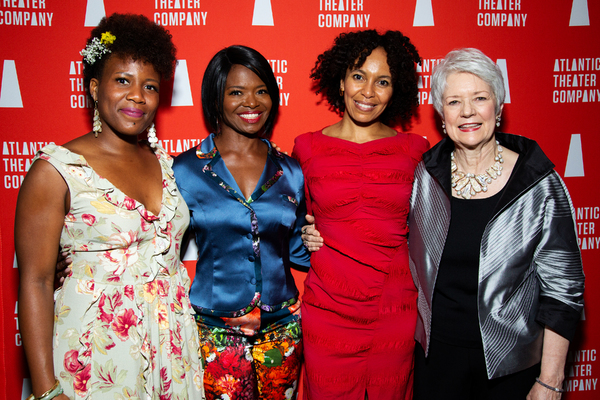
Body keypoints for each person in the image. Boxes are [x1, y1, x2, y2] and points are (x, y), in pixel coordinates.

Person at [15, 14, 204, 399]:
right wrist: (47, 390)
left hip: (171, 350)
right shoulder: (56, 171)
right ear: (94, 87)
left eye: (150, 86)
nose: (137, 95)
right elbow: (35, 281)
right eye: (123, 81)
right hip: (97, 354)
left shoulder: (164, 165)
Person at [408, 48, 585, 399]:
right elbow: (378, 226)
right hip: (436, 362)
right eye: (454, 101)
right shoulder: (423, 176)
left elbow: (564, 291)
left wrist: (550, 380)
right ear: (442, 114)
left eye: (480, 98)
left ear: (499, 107)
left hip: (513, 368)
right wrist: (320, 231)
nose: (468, 112)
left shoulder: (537, 182)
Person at [293, 30, 429, 399]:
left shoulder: (415, 150)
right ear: (340, 80)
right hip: (329, 307)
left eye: (382, 81)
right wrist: (305, 235)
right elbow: (287, 217)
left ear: (394, 89)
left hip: (393, 306)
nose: (367, 92)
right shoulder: (306, 147)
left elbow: (432, 230)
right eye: (358, 76)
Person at [173, 45, 310, 400]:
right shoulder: (185, 170)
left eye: (261, 90)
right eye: (236, 92)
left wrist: (324, 239)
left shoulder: (290, 170)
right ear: (215, 98)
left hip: (282, 328)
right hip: (215, 330)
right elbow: (161, 248)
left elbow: (296, 249)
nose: (251, 102)